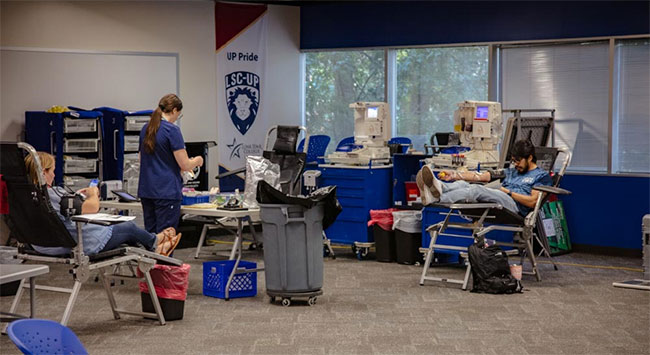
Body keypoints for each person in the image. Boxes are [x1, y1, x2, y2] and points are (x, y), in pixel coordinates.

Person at [24, 152, 181, 256]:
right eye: (51, 170)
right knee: (128, 228)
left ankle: (153, 246)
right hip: (78, 242)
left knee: (127, 236)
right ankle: (155, 244)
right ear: (43, 172)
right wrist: (93, 193)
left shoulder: (28, 195)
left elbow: (63, 210)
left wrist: (76, 197)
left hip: (42, 245)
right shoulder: (51, 194)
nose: (54, 174)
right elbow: (92, 208)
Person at [416, 139, 552, 215]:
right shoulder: (511, 171)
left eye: (518, 161)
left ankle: (438, 198)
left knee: (476, 190)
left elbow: (533, 202)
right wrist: (455, 175)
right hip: (501, 196)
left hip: (514, 207)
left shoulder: (541, 176)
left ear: (529, 158)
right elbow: (482, 176)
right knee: (464, 184)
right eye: (513, 161)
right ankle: (440, 186)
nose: (516, 164)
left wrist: (509, 192)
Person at [138, 94, 203, 234]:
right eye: (178, 115)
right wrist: (198, 160)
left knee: (151, 236)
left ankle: (150, 257)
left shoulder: (145, 129)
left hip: (147, 190)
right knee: (166, 237)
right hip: (166, 191)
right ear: (174, 110)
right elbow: (185, 164)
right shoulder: (172, 130)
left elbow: (141, 159)